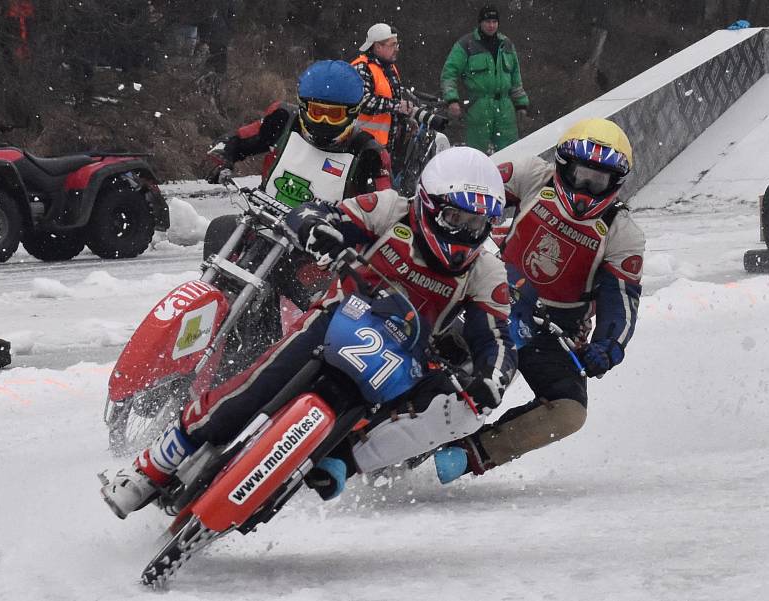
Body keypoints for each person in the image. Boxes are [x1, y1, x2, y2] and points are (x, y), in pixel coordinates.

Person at [101, 146, 518, 517]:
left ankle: (341, 463)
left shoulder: (486, 269)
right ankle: (152, 465)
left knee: (449, 406)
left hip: (403, 360)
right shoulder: (391, 209)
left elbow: (497, 339)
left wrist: (491, 382)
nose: (463, 232)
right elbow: (315, 213)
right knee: (251, 390)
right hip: (339, 317)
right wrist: (322, 232)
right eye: (453, 217)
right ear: (427, 205)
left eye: (477, 224)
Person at [434, 118, 645, 483]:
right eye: (581, 175)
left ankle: (473, 453)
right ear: (563, 166)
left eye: (598, 181)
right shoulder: (530, 173)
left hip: (551, 328)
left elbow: (621, 299)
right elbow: (471, 188)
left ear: (616, 183)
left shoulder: (622, 233)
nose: (585, 188)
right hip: (489, 294)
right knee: (448, 352)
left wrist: (609, 344)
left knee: (568, 410)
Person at [205, 59, 393, 316]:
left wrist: (353, 232)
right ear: (304, 107)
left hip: (315, 250)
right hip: (262, 223)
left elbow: (384, 209)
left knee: (300, 298)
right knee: (221, 228)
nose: (324, 122)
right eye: (317, 112)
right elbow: (239, 139)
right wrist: (223, 158)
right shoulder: (283, 120)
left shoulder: (369, 153)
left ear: (353, 112)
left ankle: (280, 342)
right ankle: (208, 306)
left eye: (334, 114)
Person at [440, 4, 530, 154]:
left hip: (505, 107)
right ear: (480, 23)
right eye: (488, 22)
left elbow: (515, 78)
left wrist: (521, 104)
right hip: (478, 107)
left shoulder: (506, 44)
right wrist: (452, 100)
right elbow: (449, 73)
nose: (491, 25)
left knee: (511, 154)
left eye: (494, 22)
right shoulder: (466, 44)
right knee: (476, 154)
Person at [350, 23, 414, 156]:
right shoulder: (362, 67)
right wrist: (398, 106)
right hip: (362, 145)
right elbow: (364, 102)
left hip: (383, 146)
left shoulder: (390, 68)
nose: (397, 49)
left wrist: (406, 118)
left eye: (397, 45)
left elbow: (392, 101)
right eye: (392, 45)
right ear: (378, 47)